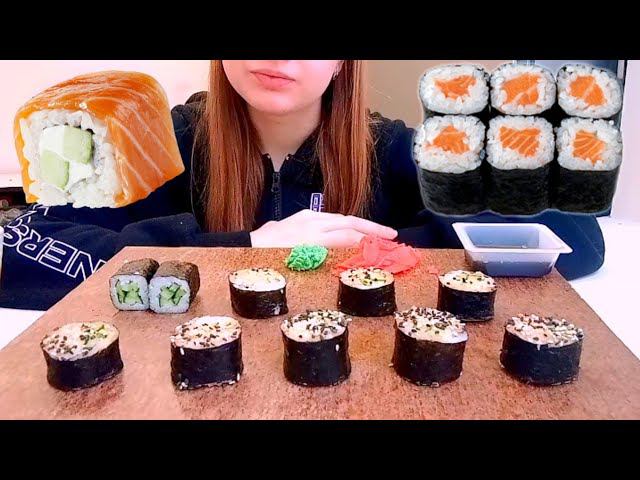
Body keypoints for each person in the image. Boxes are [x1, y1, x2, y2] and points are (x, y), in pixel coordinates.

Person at [0, 60, 605, 310]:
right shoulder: (157, 144)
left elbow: (576, 239)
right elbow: (17, 248)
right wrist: (244, 248)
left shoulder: (396, 147)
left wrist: (382, 249)